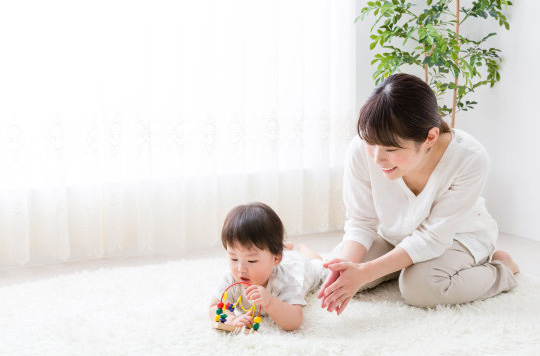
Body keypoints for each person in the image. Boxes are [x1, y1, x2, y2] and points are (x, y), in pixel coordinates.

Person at [318, 73, 519, 314]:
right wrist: (346, 269)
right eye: (370, 144)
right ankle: (397, 266)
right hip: (395, 235)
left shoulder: (470, 158)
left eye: (391, 149)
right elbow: (361, 222)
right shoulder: (363, 150)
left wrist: (368, 271)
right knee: (332, 272)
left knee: (419, 289)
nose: (377, 158)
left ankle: (502, 270)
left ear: (430, 138)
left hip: (457, 237)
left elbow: (433, 238)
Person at [209, 202, 325, 331]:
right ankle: (285, 247)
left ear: (276, 259)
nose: (241, 268)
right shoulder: (230, 278)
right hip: (277, 255)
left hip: (299, 265)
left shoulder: (286, 280)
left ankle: (303, 249)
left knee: (318, 266)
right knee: (273, 251)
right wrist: (231, 319)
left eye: (252, 260)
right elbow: (214, 307)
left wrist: (270, 301)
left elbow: (294, 321)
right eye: (234, 258)